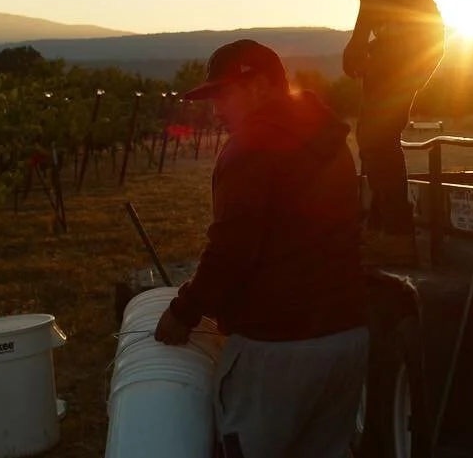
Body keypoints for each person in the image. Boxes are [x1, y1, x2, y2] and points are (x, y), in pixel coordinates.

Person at [154, 39, 369, 458]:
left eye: (224, 94)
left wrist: (183, 311)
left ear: (260, 86)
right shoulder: (331, 139)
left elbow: (232, 250)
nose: (217, 110)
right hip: (347, 337)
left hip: (278, 346)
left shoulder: (252, 146)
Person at [315, 0, 445, 267]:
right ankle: (383, 229)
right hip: (415, 35)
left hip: (404, 38)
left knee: (374, 135)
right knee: (376, 133)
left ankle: (395, 235)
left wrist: (357, 40)